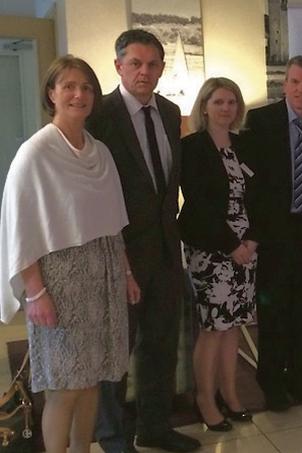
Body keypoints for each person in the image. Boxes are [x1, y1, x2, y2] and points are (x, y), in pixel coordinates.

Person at [0, 55, 140, 453]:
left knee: (93, 378)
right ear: (52, 93)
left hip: (103, 274)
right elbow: (19, 229)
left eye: (87, 88)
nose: (79, 94)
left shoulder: (99, 152)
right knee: (64, 386)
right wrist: (35, 292)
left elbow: (113, 223)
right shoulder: (35, 153)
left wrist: (126, 273)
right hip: (59, 283)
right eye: (69, 86)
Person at [90, 29, 200, 453]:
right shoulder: (100, 115)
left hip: (166, 253)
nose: (144, 72)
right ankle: (114, 436)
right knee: (116, 353)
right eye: (135, 63)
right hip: (122, 255)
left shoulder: (172, 113)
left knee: (160, 345)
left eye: (153, 64)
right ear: (118, 66)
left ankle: (155, 428)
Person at [243, 55, 302, 412]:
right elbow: (252, 185)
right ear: (285, 85)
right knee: (274, 313)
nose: (301, 89)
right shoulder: (261, 121)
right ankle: (271, 380)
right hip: (274, 236)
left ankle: (299, 375)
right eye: (295, 82)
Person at [179, 78, 258, 430]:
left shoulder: (245, 146)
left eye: (232, 102)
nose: (226, 108)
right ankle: (205, 400)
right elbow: (200, 205)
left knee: (233, 326)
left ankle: (231, 393)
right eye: (219, 102)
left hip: (247, 249)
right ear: (205, 106)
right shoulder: (192, 147)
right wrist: (232, 246)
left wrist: (251, 241)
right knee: (213, 327)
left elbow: (261, 198)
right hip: (212, 251)